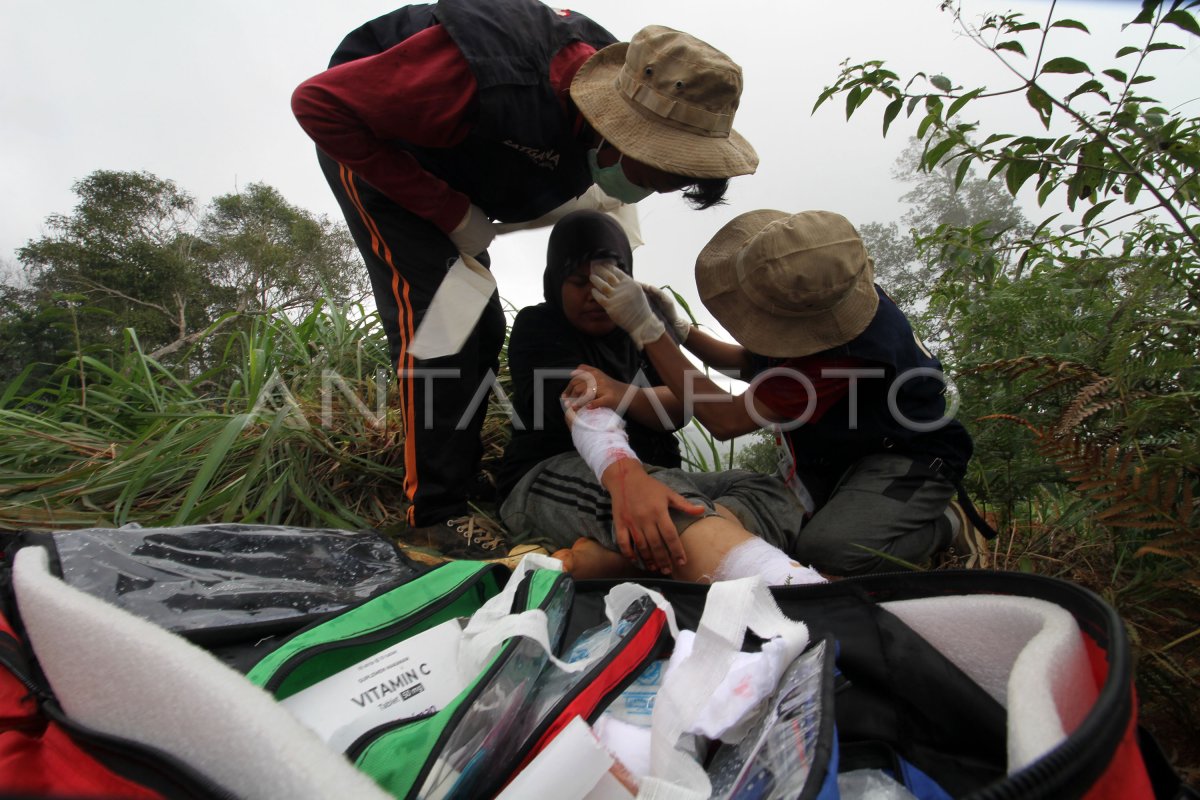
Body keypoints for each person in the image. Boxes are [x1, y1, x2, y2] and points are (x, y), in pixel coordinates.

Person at [291, 0, 759, 557]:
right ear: (622, 129)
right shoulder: (492, 78)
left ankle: (458, 478)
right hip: (378, 148)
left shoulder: (650, 87)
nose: (660, 188)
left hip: (464, 165)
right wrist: (445, 211)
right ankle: (434, 513)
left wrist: (661, 327)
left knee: (482, 322)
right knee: (447, 318)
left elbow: (694, 401)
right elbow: (320, 105)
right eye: (661, 167)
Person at [590, 209, 991, 575]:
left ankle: (948, 524)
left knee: (831, 550)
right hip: (846, 455)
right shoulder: (827, 295)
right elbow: (752, 366)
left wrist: (649, 332)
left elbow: (726, 419)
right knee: (785, 530)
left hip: (913, 462)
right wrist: (682, 332)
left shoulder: (844, 357)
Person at [498, 210, 824, 586]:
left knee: (765, 489)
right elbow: (585, 403)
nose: (593, 295)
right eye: (577, 282)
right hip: (555, 473)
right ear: (555, 282)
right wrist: (627, 476)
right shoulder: (539, 326)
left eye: (608, 282)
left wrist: (624, 390)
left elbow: (680, 408)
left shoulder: (637, 330)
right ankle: (794, 587)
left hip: (656, 476)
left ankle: (628, 562)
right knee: (668, 499)